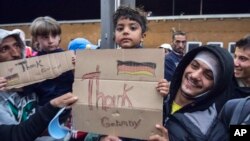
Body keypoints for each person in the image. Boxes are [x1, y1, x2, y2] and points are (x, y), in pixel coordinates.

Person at [84, 6, 169, 141]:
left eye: (133, 28)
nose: (125, 32)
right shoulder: (105, 62)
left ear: (143, 36)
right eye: (120, 28)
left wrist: (164, 92)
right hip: (113, 129)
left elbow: (161, 105)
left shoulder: (154, 63)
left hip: (142, 131)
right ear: (114, 35)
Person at [0, 28, 78, 141]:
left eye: (17, 46)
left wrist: (75, 73)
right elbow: (15, 136)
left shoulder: (30, 79)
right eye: (4, 49)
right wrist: (53, 106)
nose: (16, 53)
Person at [149, 45, 234, 141]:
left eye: (208, 75)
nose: (194, 75)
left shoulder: (214, 133)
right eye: (194, 66)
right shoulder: (160, 97)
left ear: (215, 87)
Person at [27, 16, 74, 106]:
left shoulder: (68, 58)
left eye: (54, 36)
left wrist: (77, 67)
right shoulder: (32, 63)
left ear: (59, 36)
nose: (50, 41)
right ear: (36, 39)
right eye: (45, 37)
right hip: (45, 109)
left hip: (68, 106)